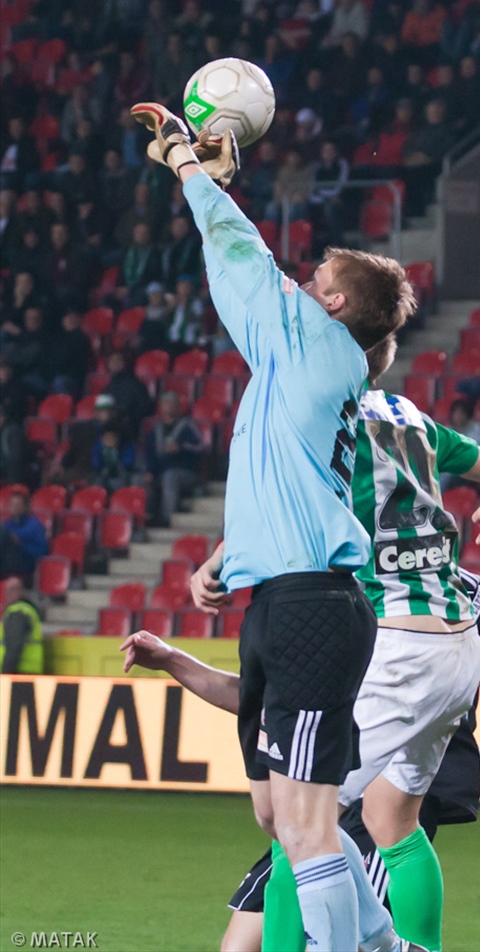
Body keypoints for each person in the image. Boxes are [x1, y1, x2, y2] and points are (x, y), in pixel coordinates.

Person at [129, 101, 415, 951]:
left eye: (316, 279)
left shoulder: (318, 345)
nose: (302, 282)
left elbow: (241, 255)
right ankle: (384, 946)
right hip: (283, 596)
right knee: (275, 809)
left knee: (304, 823)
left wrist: (185, 163)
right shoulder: (308, 362)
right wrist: (230, 552)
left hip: (314, 608)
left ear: (333, 303)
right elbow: (290, 478)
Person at [187, 334, 480, 951]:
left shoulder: (323, 420)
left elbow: (283, 506)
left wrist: (215, 563)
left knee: (300, 820)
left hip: (395, 644)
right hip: (450, 642)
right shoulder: (411, 419)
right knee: (393, 821)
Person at [119, 580, 480, 952]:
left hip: (370, 782)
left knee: (348, 829)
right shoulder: (306, 608)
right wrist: (174, 659)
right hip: (326, 765)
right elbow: (257, 701)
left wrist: (435, 689)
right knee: (239, 942)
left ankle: (404, 945)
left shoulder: (399, 574)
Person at [143, 392, 205, 526]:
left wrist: (181, 448)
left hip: (186, 471)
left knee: (170, 476)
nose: (169, 407)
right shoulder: (156, 428)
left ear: (178, 406)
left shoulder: (188, 425)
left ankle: (167, 519)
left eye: (173, 403)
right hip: (160, 471)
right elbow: (149, 453)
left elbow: (200, 447)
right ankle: (144, 520)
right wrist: (149, 471)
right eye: (166, 404)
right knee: (140, 480)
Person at [0, 488, 49, 579]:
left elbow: (42, 552)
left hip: (24, 562)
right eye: (12, 504)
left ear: (25, 506)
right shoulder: (6, 524)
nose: (14, 507)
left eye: (17, 504)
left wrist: (19, 542)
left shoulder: (35, 526)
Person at [0, 577, 44, 673]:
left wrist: (5, 673)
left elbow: (14, 646)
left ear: (21, 591)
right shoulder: (27, 610)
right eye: (8, 590)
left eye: (13, 590)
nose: (9, 594)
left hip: (20, 672)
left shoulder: (18, 612)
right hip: (27, 672)